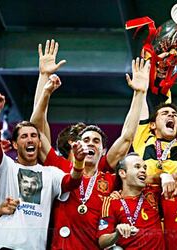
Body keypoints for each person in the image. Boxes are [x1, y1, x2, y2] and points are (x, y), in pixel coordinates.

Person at [30, 40, 152, 249]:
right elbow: (37, 130)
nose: (90, 144)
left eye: (96, 141)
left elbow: (126, 139)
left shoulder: (107, 174)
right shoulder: (60, 167)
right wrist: (44, 79)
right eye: (86, 140)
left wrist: (139, 93)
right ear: (77, 144)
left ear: (103, 150)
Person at [0, 93, 85, 250]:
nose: (30, 139)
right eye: (24, 136)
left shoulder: (51, 173)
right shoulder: (6, 168)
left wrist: (79, 162)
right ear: (15, 144)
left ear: (39, 143)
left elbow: (72, 182)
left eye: (33, 136)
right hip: (4, 246)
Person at [132, 56, 177, 190]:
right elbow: (140, 104)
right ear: (152, 125)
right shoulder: (143, 138)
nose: (171, 115)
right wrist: (141, 88)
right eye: (165, 113)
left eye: (174, 115)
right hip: (145, 202)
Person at [98, 153, 164, 249]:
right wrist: (116, 234)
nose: (143, 171)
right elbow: (102, 241)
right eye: (137, 167)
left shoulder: (153, 192)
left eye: (144, 168)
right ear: (122, 173)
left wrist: (165, 176)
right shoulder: (111, 202)